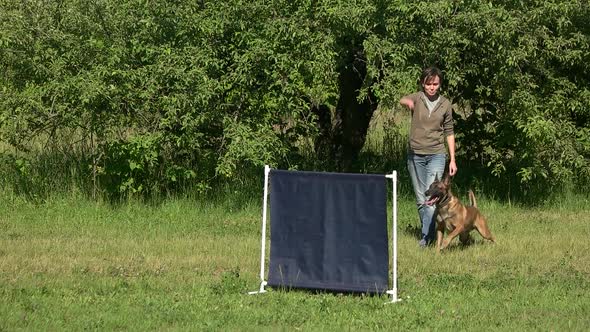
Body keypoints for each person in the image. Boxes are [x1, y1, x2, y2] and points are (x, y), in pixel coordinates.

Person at [399, 66, 457, 248]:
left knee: (432, 197)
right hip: (415, 155)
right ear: (423, 83)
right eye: (428, 84)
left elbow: (449, 132)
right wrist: (407, 103)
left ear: (439, 85)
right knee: (421, 199)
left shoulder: (445, 104)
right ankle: (429, 233)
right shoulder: (417, 98)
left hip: (436, 154)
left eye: (435, 84)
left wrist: (453, 159)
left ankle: (426, 238)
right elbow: (403, 99)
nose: (432, 87)